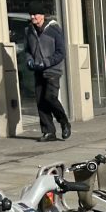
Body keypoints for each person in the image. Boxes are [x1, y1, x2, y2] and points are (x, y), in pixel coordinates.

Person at [24, 12, 70, 142]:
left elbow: (61, 52)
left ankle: (64, 122)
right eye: (31, 15)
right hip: (38, 70)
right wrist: (29, 60)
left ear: (42, 16)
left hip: (52, 70)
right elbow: (27, 50)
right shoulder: (29, 31)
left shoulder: (54, 30)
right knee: (41, 101)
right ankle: (49, 132)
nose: (33, 17)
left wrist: (47, 62)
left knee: (50, 97)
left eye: (35, 14)